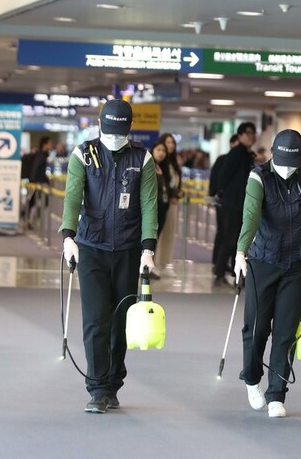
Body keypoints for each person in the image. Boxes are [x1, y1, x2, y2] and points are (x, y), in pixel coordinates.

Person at [60, 101, 158, 413]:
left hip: (129, 250)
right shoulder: (83, 154)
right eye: (109, 131)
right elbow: (73, 196)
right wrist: (68, 237)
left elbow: (149, 206)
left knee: (121, 323)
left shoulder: (141, 158)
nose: (114, 137)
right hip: (91, 248)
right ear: (100, 125)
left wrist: (148, 249)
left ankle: (114, 382)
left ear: (129, 129)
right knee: (95, 321)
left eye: (120, 132)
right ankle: (98, 388)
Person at [234, 129, 301, 419]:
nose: (288, 168)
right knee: (257, 327)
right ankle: (252, 378)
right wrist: (241, 252)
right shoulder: (258, 177)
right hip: (263, 261)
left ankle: (277, 392)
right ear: (273, 154)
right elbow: (250, 216)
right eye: (283, 161)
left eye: (294, 163)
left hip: (297, 264)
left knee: (286, 332)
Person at [213, 122, 257, 285]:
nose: (252, 136)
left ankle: (232, 271)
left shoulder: (246, 154)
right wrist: (221, 192)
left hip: (240, 203)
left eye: (253, 133)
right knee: (230, 238)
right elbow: (224, 175)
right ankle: (220, 271)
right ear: (240, 136)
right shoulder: (237, 153)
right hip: (233, 203)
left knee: (237, 238)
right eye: (248, 133)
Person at [208, 134, 239, 279]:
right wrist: (214, 194)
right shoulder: (223, 160)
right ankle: (219, 263)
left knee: (231, 234)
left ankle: (231, 265)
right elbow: (217, 178)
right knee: (224, 232)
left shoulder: (244, 159)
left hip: (234, 203)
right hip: (224, 201)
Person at [155, 133, 183, 271]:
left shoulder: (173, 163)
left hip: (170, 203)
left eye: (173, 143)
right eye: (168, 142)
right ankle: (154, 262)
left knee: (168, 233)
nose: (170, 145)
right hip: (160, 203)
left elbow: (172, 183)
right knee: (157, 233)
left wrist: (177, 193)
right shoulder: (159, 165)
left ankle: (163, 262)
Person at [150, 138, 172, 240]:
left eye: (163, 151)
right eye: (158, 150)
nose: (161, 153)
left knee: (156, 239)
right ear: (153, 150)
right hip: (152, 208)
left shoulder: (163, 168)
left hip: (162, 206)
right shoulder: (149, 166)